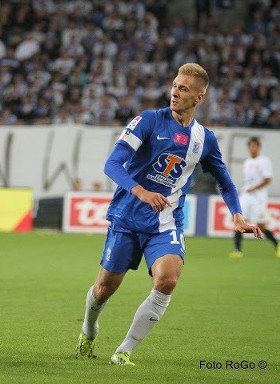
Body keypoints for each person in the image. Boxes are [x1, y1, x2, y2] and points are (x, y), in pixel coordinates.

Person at [74, 63, 262, 366]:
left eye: (183, 88)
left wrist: (237, 215)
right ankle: (88, 329)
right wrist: (142, 192)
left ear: (199, 98)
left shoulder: (204, 139)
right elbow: (112, 164)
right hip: (127, 216)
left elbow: (224, 180)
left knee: (168, 280)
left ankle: (124, 351)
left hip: (165, 222)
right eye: (174, 85)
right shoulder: (148, 121)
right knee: (104, 289)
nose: (175, 91)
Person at [230, 137, 279, 258]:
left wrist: (254, 188)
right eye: (251, 146)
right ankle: (237, 251)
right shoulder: (247, 162)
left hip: (259, 199)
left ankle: (277, 244)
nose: (252, 148)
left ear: (258, 147)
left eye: (255, 146)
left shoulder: (264, 161)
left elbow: (267, 179)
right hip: (246, 197)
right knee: (239, 222)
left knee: (261, 226)